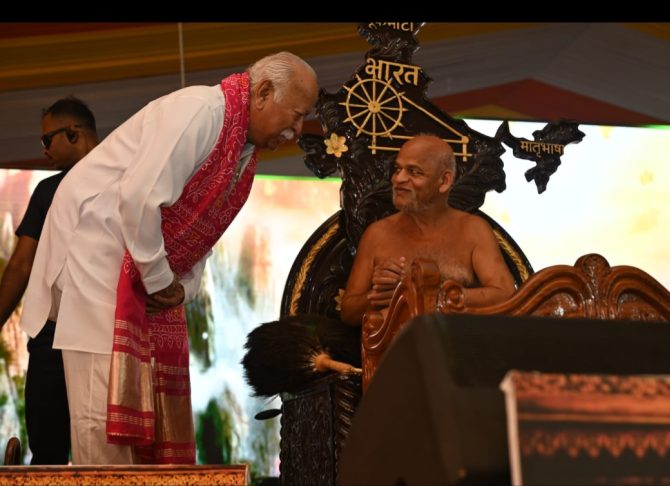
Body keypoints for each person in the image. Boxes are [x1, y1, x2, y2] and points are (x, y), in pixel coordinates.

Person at [19, 51, 319, 465]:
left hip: (138, 268)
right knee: (102, 425)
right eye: (297, 115)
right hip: (98, 255)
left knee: (136, 428)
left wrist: (183, 289)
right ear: (264, 92)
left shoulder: (242, 152)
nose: (298, 129)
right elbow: (139, 198)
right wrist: (162, 282)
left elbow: (201, 234)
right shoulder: (200, 111)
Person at [0, 97, 98, 464]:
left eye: (47, 140)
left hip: (92, 340)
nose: (43, 150)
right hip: (62, 337)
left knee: (76, 455)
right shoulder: (50, 191)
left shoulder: (121, 181)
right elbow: (22, 265)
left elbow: (21, 265)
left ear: (73, 133)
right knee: (55, 454)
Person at [340, 134, 516, 326]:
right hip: (395, 344)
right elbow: (348, 312)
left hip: (457, 342)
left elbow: (506, 295)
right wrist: (379, 295)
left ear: (444, 181)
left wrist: (432, 296)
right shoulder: (377, 234)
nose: (398, 179)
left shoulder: (473, 230)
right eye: (397, 169)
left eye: (414, 172)